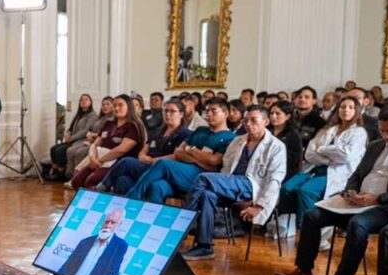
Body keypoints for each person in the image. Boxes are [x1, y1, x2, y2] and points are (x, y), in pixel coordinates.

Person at [276, 107, 388, 275]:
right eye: (382, 130)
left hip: (383, 206)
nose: (386, 136)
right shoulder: (375, 146)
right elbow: (356, 174)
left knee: (358, 224)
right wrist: (351, 192)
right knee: (312, 216)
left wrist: (377, 198)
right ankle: (304, 270)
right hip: (358, 199)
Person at [182, 106, 287, 260]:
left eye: (254, 120)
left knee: (203, 178)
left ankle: (182, 225)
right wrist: (222, 185)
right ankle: (205, 246)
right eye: (246, 120)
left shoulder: (276, 146)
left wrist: (259, 206)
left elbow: (275, 180)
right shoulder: (238, 141)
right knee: (207, 195)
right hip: (232, 184)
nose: (248, 124)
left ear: (266, 122)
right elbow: (226, 167)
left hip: (252, 187)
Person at [126, 98, 235, 204]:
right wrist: (198, 159)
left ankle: (132, 198)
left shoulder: (230, 137)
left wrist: (191, 150)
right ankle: (146, 214)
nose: (209, 114)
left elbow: (213, 161)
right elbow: (178, 152)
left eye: (213, 111)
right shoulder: (200, 130)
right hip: (181, 170)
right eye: (207, 111)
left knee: (163, 163)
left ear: (225, 113)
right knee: (157, 186)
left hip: (201, 176)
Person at [279, 96, 367, 227]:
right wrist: (329, 158)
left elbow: (346, 155)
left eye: (351, 107)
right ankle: (287, 225)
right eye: (343, 107)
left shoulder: (359, 132)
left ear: (357, 111)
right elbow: (309, 153)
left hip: (337, 173)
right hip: (316, 168)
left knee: (306, 191)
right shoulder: (329, 129)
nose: (346, 110)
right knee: (286, 188)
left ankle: (308, 227)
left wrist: (322, 149)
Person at [100, 99, 191, 195]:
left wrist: (153, 160)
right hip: (147, 165)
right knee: (122, 180)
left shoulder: (185, 134)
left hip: (163, 170)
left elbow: (176, 156)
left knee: (126, 162)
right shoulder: (157, 131)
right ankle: (123, 203)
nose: (168, 114)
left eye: (172, 111)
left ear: (181, 114)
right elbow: (144, 150)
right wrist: (143, 157)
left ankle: (102, 187)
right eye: (166, 111)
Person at [69, 95, 145, 190]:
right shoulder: (109, 124)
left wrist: (100, 160)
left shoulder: (134, 126)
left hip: (116, 163)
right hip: (98, 160)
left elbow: (121, 150)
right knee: (76, 181)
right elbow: (95, 144)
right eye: (114, 105)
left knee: (91, 181)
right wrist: (92, 157)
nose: (116, 108)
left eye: (120, 105)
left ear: (129, 107)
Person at [60, 208, 129, 275]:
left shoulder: (120, 246)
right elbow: (66, 266)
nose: (108, 226)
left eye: (113, 223)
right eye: (106, 222)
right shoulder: (85, 242)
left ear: (119, 224)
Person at [48, 93, 98, 181]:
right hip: (72, 140)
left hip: (81, 141)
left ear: (90, 102)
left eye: (86, 99)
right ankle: (55, 171)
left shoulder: (92, 115)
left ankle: (62, 173)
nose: (83, 101)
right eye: (81, 100)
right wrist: (67, 134)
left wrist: (72, 138)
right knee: (53, 149)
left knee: (60, 151)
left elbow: (85, 131)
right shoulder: (79, 115)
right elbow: (70, 128)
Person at [65, 97, 113, 179]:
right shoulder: (100, 118)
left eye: (108, 104)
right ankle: (70, 175)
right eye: (103, 104)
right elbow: (89, 129)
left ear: (113, 106)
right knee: (70, 150)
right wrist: (90, 134)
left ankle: (77, 177)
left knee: (79, 152)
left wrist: (95, 136)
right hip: (90, 140)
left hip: (100, 144)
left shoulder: (112, 120)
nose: (105, 106)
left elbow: (106, 135)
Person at [268, 100, 303, 180]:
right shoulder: (267, 131)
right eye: (271, 113)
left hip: (285, 172)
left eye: (278, 114)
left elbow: (294, 160)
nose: (273, 116)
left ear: (287, 116)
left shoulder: (293, 134)